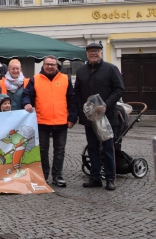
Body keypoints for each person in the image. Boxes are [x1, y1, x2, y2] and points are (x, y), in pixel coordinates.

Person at [22, 53, 78, 185]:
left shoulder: (65, 79)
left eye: (52, 64)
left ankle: (57, 176)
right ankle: (44, 174)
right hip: (42, 121)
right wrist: (26, 103)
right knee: (42, 150)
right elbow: (26, 94)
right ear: (43, 65)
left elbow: (72, 99)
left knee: (60, 150)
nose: (50, 66)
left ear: (57, 66)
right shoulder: (35, 79)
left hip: (61, 121)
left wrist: (72, 118)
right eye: (47, 64)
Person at [74, 42, 124, 190]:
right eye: (90, 52)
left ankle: (110, 178)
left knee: (108, 148)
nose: (93, 53)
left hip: (107, 117)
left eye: (96, 51)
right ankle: (95, 177)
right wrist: (81, 108)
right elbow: (77, 92)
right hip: (89, 118)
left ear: (101, 53)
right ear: (87, 54)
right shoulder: (82, 71)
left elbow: (119, 89)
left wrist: (106, 105)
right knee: (93, 148)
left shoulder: (111, 69)